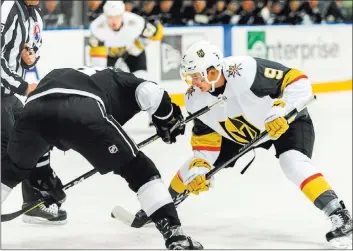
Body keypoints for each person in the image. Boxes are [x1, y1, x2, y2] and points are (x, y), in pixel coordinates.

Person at [129, 41, 353, 249]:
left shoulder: (244, 70)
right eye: (189, 77)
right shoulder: (194, 98)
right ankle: (163, 207)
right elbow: (205, 145)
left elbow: (297, 80)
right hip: (240, 134)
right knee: (190, 169)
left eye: (197, 76)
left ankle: (339, 214)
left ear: (213, 71)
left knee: (292, 162)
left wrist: (280, 111)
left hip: (284, 124)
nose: (193, 83)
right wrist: (200, 169)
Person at [0, 66, 203, 250]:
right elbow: (151, 92)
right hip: (82, 109)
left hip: (32, 111)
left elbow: (42, 131)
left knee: (9, 171)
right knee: (139, 169)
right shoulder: (122, 78)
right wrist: (167, 119)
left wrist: (45, 179)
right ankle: (176, 236)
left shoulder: (71, 74)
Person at [1, 0, 67, 224]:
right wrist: (23, 86)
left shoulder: (34, 13)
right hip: (8, 93)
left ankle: (33, 202)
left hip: (7, 96)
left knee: (34, 138)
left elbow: (31, 49)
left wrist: (28, 58)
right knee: (12, 148)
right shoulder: (6, 7)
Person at [89, 1, 163, 126]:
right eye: (110, 17)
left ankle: (155, 115)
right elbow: (97, 61)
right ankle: (104, 115)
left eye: (117, 16)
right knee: (103, 83)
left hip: (132, 50)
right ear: (104, 16)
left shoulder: (136, 22)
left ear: (123, 14)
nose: (113, 21)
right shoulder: (97, 27)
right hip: (109, 53)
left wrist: (151, 34)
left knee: (144, 80)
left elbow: (157, 34)